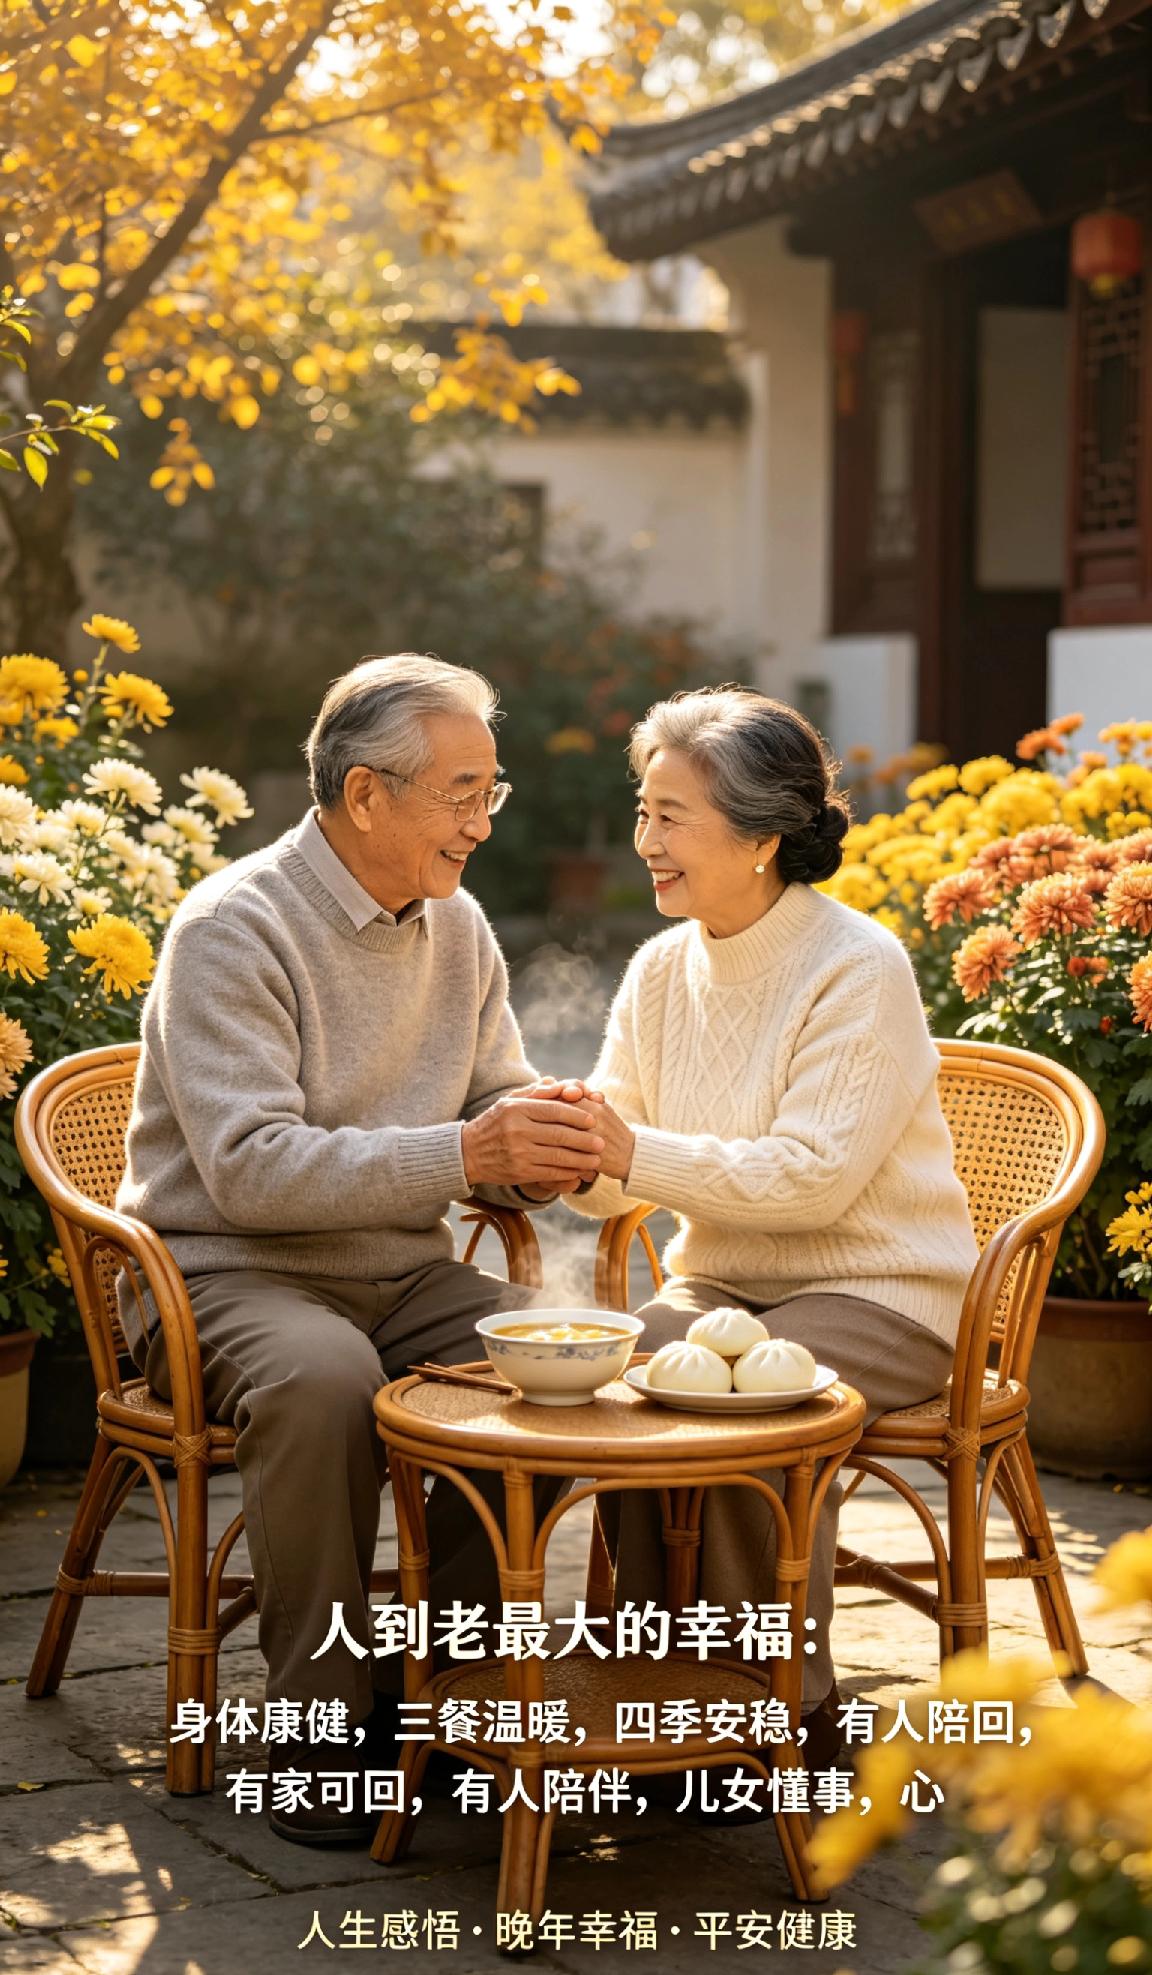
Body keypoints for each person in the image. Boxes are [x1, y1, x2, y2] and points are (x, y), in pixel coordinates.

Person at [116, 653, 604, 1845]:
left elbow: (489, 1099)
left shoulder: (460, 923)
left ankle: (452, 1700)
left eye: (492, 791)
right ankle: (322, 1729)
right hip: (222, 1273)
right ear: (367, 794)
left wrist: (550, 1132)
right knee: (324, 1379)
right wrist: (466, 1150)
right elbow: (251, 1168)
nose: (484, 823)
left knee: (540, 1366)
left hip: (397, 1273)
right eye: (463, 793)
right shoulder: (232, 927)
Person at [566, 685, 979, 1773]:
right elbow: (619, 1168)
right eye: (643, 810)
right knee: (621, 1383)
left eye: (670, 816)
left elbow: (812, 1183)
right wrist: (562, 1153)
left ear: (757, 837)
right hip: (728, 1284)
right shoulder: (662, 968)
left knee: (739, 1403)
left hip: (884, 1288)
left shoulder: (856, 964)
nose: (645, 840)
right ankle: (660, 1688)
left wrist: (625, 1149)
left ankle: (785, 1714)